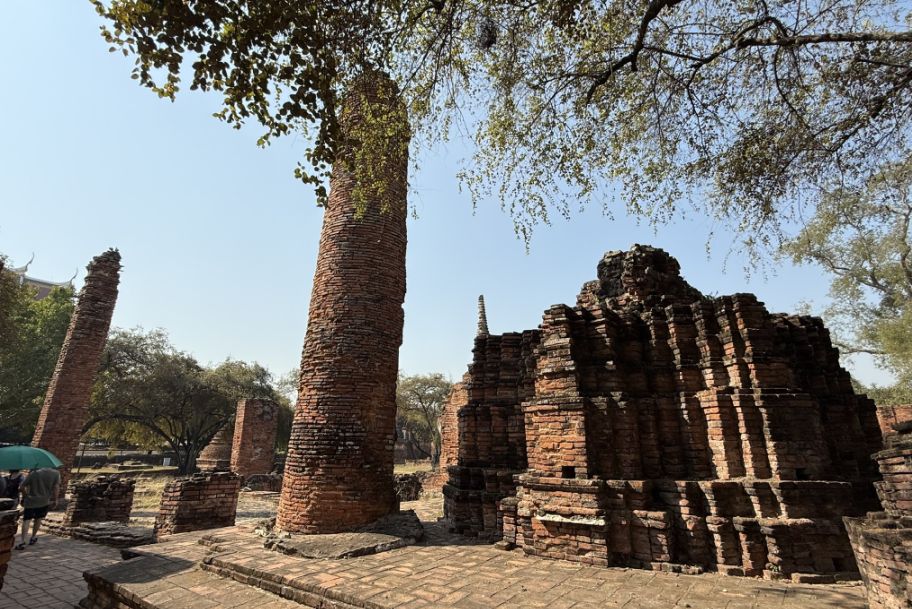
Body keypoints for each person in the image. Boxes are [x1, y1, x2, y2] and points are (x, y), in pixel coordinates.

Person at [15, 467, 60, 550]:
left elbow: (21, 487)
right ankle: (33, 537)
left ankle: (22, 541)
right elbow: (56, 487)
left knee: (26, 520)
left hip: (31, 501)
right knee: (38, 519)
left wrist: (25, 496)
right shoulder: (56, 473)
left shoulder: (34, 473)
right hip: (44, 501)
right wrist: (55, 500)